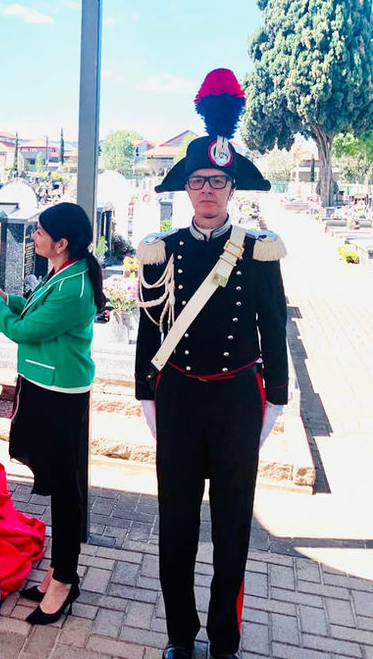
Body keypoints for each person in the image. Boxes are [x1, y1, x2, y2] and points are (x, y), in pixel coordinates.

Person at [135, 69, 287, 659]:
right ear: (186, 188)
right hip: (178, 400)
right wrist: (147, 393)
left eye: (216, 181)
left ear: (231, 189)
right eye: (197, 180)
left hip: (232, 403)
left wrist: (274, 398)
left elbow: (272, 328)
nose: (206, 190)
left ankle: (224, 639)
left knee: (231, 530)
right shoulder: (160, 249)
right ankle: (180, 637)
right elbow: (151, 328)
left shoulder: (258, 251)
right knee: (175, 528)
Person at [0, 202, 106, 626]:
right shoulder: (63, 273)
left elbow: (26, 330)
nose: (35, 237)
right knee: (55, 480)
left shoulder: (75, 287)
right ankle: (58, 570)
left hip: (59, 396)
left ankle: (66, 577)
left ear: (62, 243)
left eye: (41, 232)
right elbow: (32, 307)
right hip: (43, 387)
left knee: (66, 489)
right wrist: (3, 294)